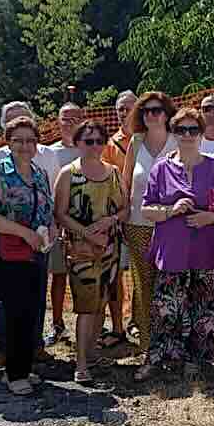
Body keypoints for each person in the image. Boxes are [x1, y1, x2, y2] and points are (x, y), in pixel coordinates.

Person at [138, 107, 214, 381]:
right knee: (165, 309)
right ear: (173, 134)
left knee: (203, 308)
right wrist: (171, 210)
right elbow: (146, 208)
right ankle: (159, 358)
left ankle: (196, 360)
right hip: (172, 249)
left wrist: (209, 217)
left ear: (201, 134)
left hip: (206, 249)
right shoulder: (162, 168)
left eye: (193, 130)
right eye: (181, 130)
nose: (187, 135)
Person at [0, 116, 57, 396]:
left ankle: (23, 366)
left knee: (31, 310)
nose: (25, 145)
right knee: (13, 312)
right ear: (8, 142)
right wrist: (23, 234)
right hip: (6, 251)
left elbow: (46, 209)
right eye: (18, 140)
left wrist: (50, 233)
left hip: (35, 252)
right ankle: (14, 373)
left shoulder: (38, 173)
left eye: (30, 140)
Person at [55, 119, 127, 386]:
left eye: (99, 140)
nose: (94, 146)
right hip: (81, 251)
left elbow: (124, 209)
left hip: (109, 248)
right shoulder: (68, 174)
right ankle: (81, 364)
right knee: (86, 307)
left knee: (101, 303)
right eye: (88, 141)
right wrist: (87, 234)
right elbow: (60, 213)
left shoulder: (114, 172)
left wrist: (109, 222)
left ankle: (93, 353)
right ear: (77, 143)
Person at [121, 91, 179, 352]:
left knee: (170, 287)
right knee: (144, 287)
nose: (151, 115)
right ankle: (148, 347)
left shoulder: (179, 140)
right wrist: (120, 216)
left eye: (157, 110)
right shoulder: (136, 141)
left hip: (171, 227)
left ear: (167, 113)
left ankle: (170, 344)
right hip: (138, 225)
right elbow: (125, 183)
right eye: (146, 111)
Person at [46, 102, 85, 345]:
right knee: (58, 276)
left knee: (85, 276)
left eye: (75, 117)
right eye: (65, 118)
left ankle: (91, 324)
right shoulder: (50, 153)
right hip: (58, 223)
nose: (69, 122)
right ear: (57, 121)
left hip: (85, 224)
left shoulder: (90, 147)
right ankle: (58, 324)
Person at [101, 89, 137, 345]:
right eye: (120, 109)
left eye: (129, 107)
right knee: (116, 274)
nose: (125, 112)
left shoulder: (151, 139)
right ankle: (117, 327)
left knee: (144, 273)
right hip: (119, 219)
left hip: (148, 218)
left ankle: (139, 321)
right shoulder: (109, 144)